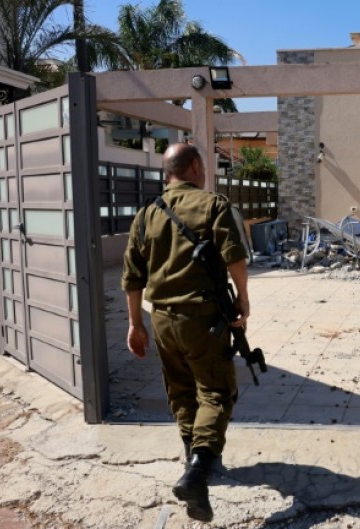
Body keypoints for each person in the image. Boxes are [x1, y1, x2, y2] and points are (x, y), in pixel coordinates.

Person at [121, 143, 249, 522]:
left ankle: (191, 458)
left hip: (161, 319)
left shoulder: (146, 214)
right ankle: (199, 470)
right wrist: (243, 300)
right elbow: (235, 257)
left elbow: (131, 276)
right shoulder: (213, 205)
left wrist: (134, 324)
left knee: (180, 390)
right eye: (204, 166)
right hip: (203, 318)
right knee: (217, 392)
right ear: (194, 166)